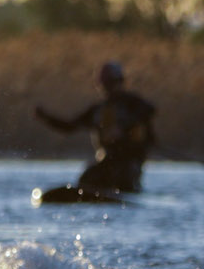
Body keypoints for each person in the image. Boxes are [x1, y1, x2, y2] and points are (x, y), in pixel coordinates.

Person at [36, 60, 157, 194]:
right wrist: (45, 117)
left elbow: (150, 110)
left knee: (124, 180)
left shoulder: (133, 103)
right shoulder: (97, 110)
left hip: (130, 161)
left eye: (111, 83)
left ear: (120, 82)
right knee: (87, 178)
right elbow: (69, 127)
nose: (108, 88)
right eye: (105, 84)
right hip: (107, 160)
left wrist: (122, 127)